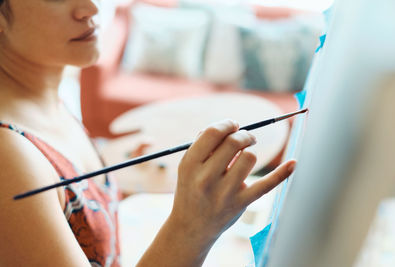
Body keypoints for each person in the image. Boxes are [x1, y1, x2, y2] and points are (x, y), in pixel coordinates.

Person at [0, 0, 296, 266]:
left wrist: (115, 185)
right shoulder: (7, 155)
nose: (90, 8)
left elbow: (65, 209)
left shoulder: (49, 100)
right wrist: (192, 227)